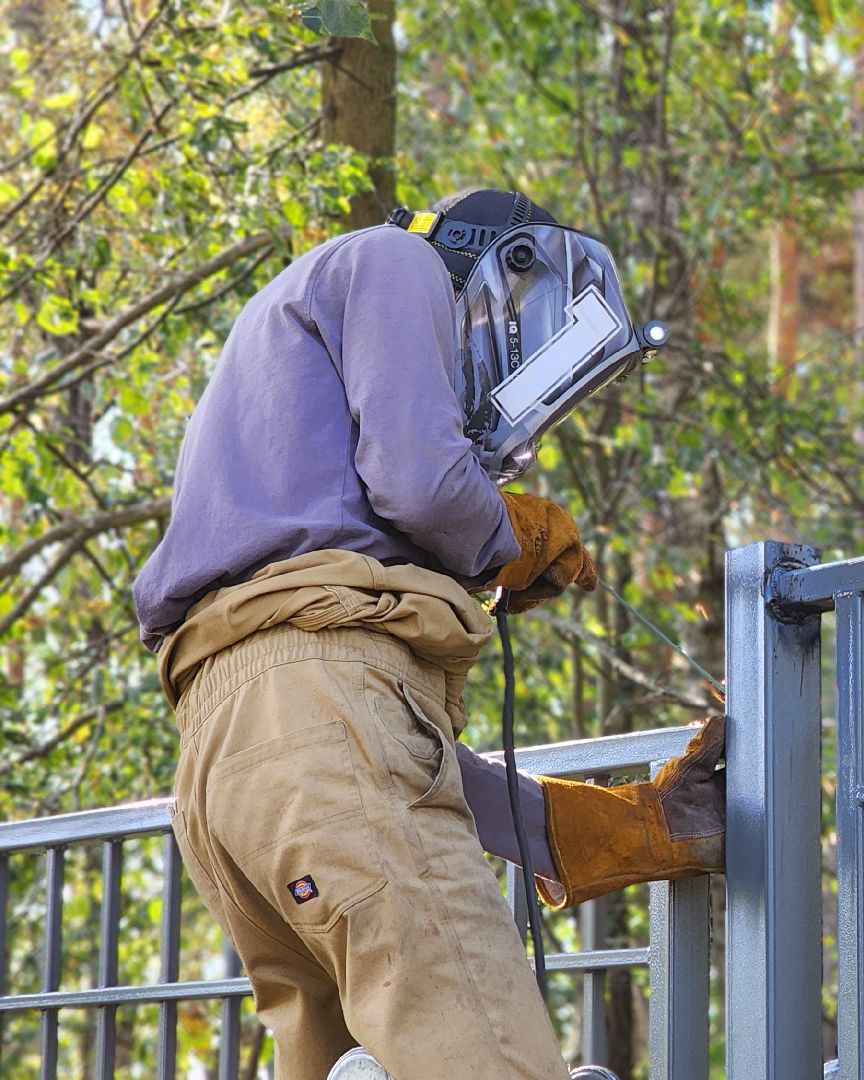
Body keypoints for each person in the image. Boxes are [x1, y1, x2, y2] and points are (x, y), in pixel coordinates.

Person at [132, 189, 722, 1080]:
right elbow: (421, 482)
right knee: (488, 1061)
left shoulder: (282, 578)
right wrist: (506, 537)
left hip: (220, 771)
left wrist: (608, 827)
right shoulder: (398, 262)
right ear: (503, 264)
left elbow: (374, 766)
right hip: (310, 724)